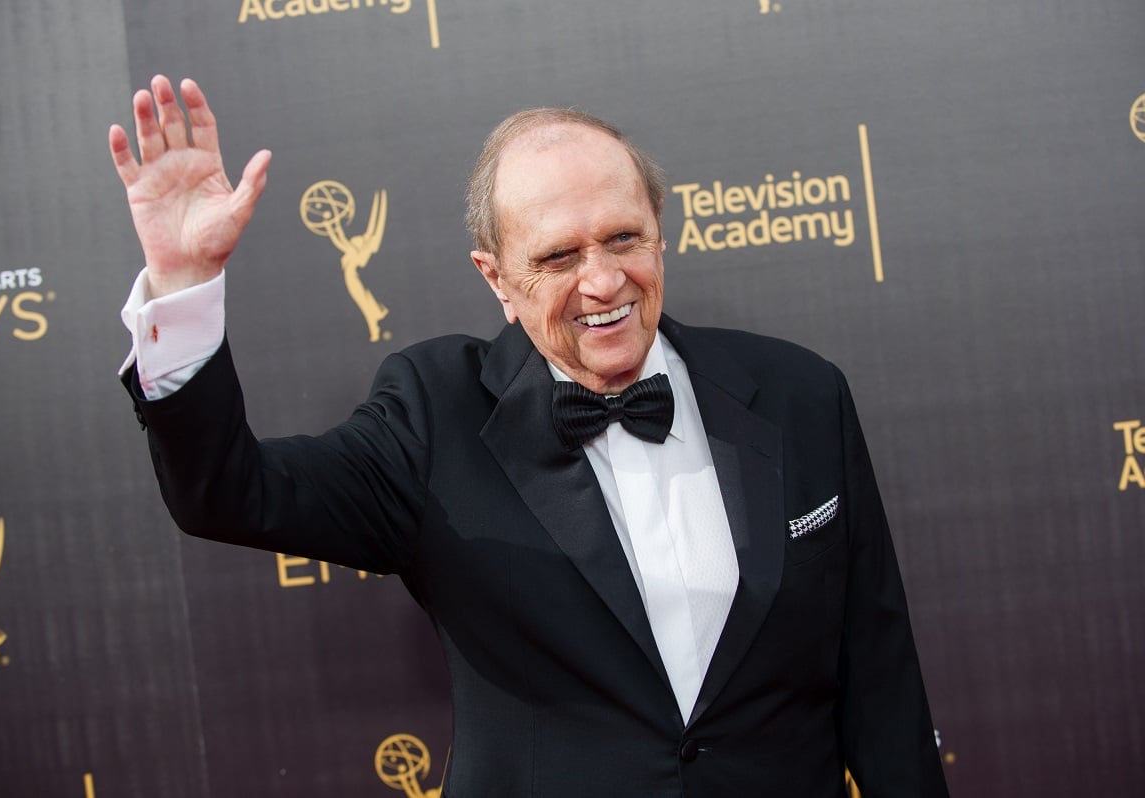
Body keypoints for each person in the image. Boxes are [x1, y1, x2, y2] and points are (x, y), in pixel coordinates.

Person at [110, 75, 949, 797]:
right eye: (557, 257)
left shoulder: (802, 396)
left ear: (661, 225)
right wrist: (184, 288)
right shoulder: (433, 417)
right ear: (497, 279)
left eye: (623, 237)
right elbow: (229, 492)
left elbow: (879, 679)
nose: (604, 280)